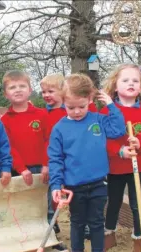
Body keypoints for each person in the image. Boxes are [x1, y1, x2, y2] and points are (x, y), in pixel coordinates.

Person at [49, 73, 126, 252]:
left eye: (81, 106)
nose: (76, 111)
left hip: (99, 183)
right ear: (63, 102)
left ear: (90, 99)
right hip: (73, 186)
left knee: (96, 221)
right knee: (77, 221)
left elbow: (118, 130)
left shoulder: (98, 120)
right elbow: (55, 159)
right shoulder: (59, 129)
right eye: (71, 107)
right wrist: (56, 185)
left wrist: (111, 105)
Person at [101, 64, 141, 252]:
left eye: (135, 81)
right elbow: (101, 140)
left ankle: (139, 238)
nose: (131, 83)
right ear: (115, 86)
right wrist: (119, 151)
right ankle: (108, 233)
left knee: (138, 203)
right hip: (116, 167)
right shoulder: (106, 112)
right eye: (125, 80)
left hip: (140, 167)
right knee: (114, 201)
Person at [1, 70, 65, 250]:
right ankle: (27, 240)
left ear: (30, 90)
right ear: (6, 93)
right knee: (24, 205)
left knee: (46, 205)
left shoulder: (42, 115)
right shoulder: (5, 119)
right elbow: (9, 147)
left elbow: (49, 140)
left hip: (43, 168)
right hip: (20, 170)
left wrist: (46, 164)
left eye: (22, 86)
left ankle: (50, 238)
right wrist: (22, 169)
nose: (18, 90)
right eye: (12, 87)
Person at [40, 73, 98, 236]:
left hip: (75, 162)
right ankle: (54, 221)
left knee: (78, 195)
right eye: (43, 92)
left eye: (50, 91)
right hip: (58, 162)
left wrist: (89, 96)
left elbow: (91, 112)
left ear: (64, 92)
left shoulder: (75, 110)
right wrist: (46, 164)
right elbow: (46, 143)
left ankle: (83, 223)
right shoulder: (45, 115)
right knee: (54, 192)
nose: (46, 95)